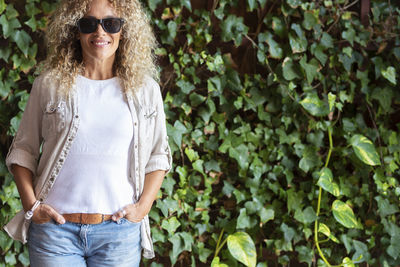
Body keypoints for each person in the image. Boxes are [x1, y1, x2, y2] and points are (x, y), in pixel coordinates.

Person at [3, 0, 172, 266]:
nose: (100, 32)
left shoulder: (145, 90)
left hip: (118, 233)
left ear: (124, 30)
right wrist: (32, 206)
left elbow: (158, 156)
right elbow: (23, 151)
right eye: (88, 23)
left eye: (111, 23)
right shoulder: (49, 85)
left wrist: (142, 208)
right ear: (75, 29)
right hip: (55, 233)